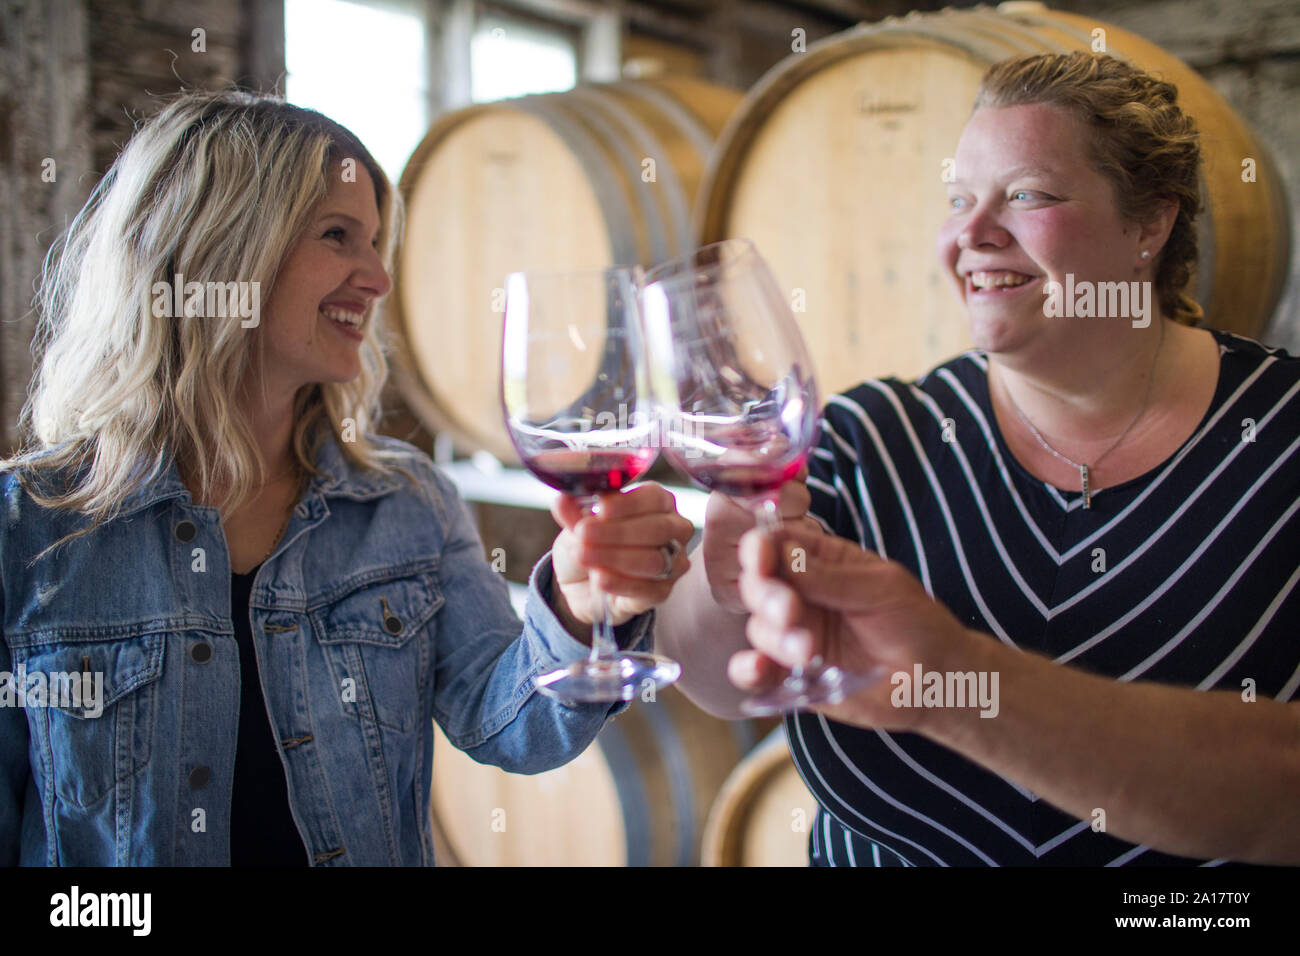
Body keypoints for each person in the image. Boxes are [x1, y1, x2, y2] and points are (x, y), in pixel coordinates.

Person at [0, 90, 693, 866]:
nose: (378, 279)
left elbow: (509, 728)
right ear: (219, 247)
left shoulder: (407, 502)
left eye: (373, 243)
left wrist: (576, 606)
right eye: (338, 236)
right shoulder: (28, 528)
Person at [657, 51, 1300, 866]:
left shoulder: (1280, 434)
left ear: (1150, 224)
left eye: (1027, 195)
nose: (972, 231)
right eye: (959, 199)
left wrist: (963, 685)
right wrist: (721, 586)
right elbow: (721, 683)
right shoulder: (872, 436)